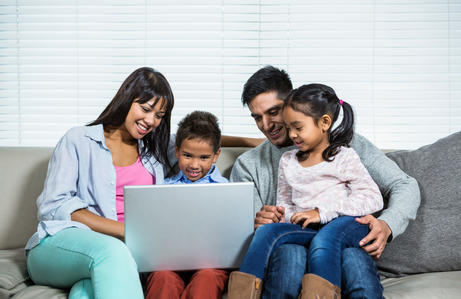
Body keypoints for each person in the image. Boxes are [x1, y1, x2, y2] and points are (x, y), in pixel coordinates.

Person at [230, 66, 421, 298]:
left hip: (340, 241)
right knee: (291, 256)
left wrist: (388, 224)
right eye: (257, 117)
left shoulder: (345, 146)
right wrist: (256, 221)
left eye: (274, 112)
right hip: (291, 246)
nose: (266, 125)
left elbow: (404, 185)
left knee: (353, 258)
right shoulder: (248, 165)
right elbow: (246, 236)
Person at [25, 67, 176, 299]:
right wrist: (128, 232)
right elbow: (54, 206)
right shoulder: (79, 139)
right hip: (59, 246)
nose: (150, 120)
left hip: (121, 255)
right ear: (127, 99)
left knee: (86, 292)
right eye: (145, 109)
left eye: (159, 115)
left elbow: (197, 138)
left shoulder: (154, 149)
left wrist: (249, 141)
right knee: (112, 251)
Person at [145, 110, 229, 299]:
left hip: (211, 264)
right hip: (168, 262)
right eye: (187, 155)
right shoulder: (163, 187)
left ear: (216, 155)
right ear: (176, 151)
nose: (194, 165)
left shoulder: (226, 190)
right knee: (162, 278)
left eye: (204, 158)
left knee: (208, 278)